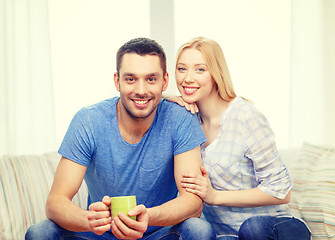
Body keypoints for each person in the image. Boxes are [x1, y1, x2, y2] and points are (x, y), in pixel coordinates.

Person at [25, 37, 215, 240]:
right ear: (117, 81)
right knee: (40, 232)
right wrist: (88, 220)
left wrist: (149, 217)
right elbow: (55, 201)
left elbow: (192, 201)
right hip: (100, 234)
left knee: (199, 230)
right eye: (130, 79)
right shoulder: (89, 120)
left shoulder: (180, 119)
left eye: (151, 79)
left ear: (164, 81)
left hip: (158, 233)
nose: (141, 91)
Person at [167, 37, 311, 240]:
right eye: (182, 69)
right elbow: (143, 96)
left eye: (200, 69)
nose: (187, 78)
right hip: (228, 235)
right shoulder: (187, 121)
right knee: (194, 227)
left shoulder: (246, 117)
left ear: (216, 74)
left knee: (252, 228)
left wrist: (215, 197)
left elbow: (281, 191)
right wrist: (168, 98)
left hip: (277, 228)